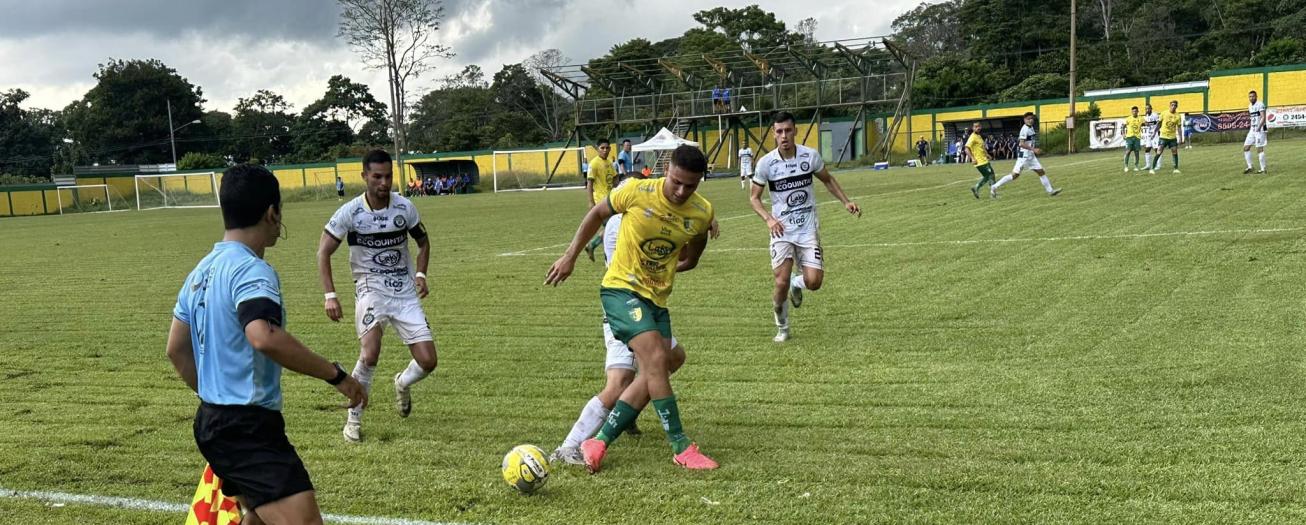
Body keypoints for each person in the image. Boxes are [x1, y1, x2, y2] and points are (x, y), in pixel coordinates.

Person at [167, 164, 367, 524]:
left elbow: (176, 349)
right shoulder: (251, 270)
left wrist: (215, 397)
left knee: (256, 518)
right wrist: (337, 375)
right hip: (247, 429)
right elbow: (263, 335)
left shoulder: (200, 271)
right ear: (272, 213)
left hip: (212, 422)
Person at [546, 145, 719, 472]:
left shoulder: (701, 213)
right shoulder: (636, 191)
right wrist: (569, 256)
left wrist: (667, 268)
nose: (681, 191)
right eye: (676, 182)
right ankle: (681, 446)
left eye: (691, 186)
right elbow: (597, 214)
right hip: (620, 291)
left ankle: (598, 441)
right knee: (654, 359)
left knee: (662, 365)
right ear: (666, 170)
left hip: (656, 301)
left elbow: (692, 256)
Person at [318, 149, 438, 443]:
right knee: (370, 354)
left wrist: (420, 274)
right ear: (364, 177)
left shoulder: (405, 208)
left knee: (428, 361)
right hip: (370, 286)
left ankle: (402, 382)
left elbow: (423, 243)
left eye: (388, 176)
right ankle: (354, 419)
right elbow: (323, 251)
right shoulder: (350, 212)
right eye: (377, 177)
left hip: (404, 290)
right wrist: (330, 295)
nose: (384, 183)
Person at [750, 111, 861, 343]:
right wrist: (769, 219)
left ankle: (796, 283)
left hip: (807, 229)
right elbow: (754, 198)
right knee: (779, 281)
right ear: (773, 134)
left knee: (814, 282)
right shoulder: (766, 164)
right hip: (781, 230)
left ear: (795, 131)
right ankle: (783, 327)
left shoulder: (809, 157)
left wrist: (846, 201)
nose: (784, 136)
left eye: (788, 131)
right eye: (779, 131)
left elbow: (828, 180)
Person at [990, 112, 1061, 198]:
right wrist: (1033, 149)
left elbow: (1029, 142)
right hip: (1024, 156)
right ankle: (994, 187)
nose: (1030, 120)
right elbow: (1021, 144)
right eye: (1028, 119)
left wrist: (1033, 149)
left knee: (1041, 172)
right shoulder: (1025, 129)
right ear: (1024, 120)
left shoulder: (1031, 128)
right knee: (1014, 175)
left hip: (1031, 156)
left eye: (1031, 118)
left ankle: (1050, 191)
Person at [582, 139, 618, 262]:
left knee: (611, 227)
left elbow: (614, 178)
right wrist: (591, 201)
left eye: (607, 148)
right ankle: (607, 255)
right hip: (601, 201)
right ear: (597, 149)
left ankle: (592, 246)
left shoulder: (609, 162)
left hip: (611, 199)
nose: (605, 150)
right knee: (611, 228)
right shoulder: (594, 163)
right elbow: (589, 183)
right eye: (602, 148)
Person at [1150, 100, 1182, 174]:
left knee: (1174, 151)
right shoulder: (1164, 113)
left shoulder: (1178, 116)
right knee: (1159, 151)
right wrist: (1154, 132)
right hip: (1163, 136)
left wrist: (1180, 137)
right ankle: (1152, 168)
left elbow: (1179, 127)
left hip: (1172, 137)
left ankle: (1176, 169)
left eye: (1175, 105)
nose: (1173, 106)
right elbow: (1159, 124)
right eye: (1172, 105)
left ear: (1177, 106)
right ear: (1170, 105)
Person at [966, 123, 995, 199]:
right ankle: (992, 193)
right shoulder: (972, 137)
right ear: (973, 128)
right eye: (976, 127)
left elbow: (981, 147)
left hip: (983, 160)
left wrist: (987, 154)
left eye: (979, 126)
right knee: (990, 175)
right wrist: (972, 158)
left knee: (988, 176)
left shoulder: (978, 136)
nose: (978, 128)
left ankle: (977, 188)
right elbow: (966, 149)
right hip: (979, 161)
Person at [1244, 90, 1268, 174]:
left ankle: (1263, 169)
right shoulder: (1250, 106)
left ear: (1256, 96)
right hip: (1252, 130)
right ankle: (1250, 167)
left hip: (1260, 129)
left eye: (1253, 96)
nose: (1251, 98)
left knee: (1259, 149)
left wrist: (1258, 128)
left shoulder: (1260, 104)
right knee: (1246, 147)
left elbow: (1263, 117)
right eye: (1250, 96)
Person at [1123, 106, 1144, 172]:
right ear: (1132, 112)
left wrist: (1148, 123)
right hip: (1129, 137)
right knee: (1128, 151)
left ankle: (1136, 166)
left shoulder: (1141, 118)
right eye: (1133, 111)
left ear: (1138, 112)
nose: (1135, 112)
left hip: (1137, 137)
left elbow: (1145, 123)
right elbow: (1123, 126)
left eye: (1136, 111)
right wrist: (1123, 134)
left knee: (1136, 152)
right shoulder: (1128, 119)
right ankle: (1126, 166)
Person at [1142, 104, 1161, 172]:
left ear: (1151, 108)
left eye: (1148, 109)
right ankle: (1148, 165)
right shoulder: (1146, 116)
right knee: (1147, 149)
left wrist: (1148, 123)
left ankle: (1158, 165)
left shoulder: (1155, 115)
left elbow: (1158, 123)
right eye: (1146, 109)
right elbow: (1145, 124)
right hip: (1148, 135)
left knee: (1156, 149)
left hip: (1155, 134)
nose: (1147, 110)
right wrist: (1144, 123)